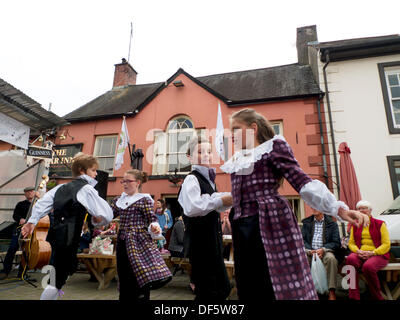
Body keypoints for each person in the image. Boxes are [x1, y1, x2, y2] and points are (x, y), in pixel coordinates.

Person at [220, 108, 369, 300]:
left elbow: (302, 182)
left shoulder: (273, 147)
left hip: (268, 221)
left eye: (236, 129)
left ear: (253, 128)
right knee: (248, 281)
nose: (231, 135)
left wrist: (339, 209)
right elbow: (238, 195)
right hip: (241, 225)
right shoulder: (237, 161)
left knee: (272, 280)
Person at [21, 153, 113, 300]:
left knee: (58, 276)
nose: (96, 174)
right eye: (94, 170)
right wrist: (98, 220)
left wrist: (31, 222)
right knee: (57, 278)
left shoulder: (60, 187)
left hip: (57, 237)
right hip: (69, 239)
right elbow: (107, 214)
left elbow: (41, 205)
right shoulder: (87, 189)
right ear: (83, 170)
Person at [178, 134, 233, 301]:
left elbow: (215, 200)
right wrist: (220, 200)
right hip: (200, 243)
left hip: (212, 241)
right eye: (201, 151)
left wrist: (230, 198)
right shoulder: (191, 178)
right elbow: (193, 207)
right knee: (209, 290)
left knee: (221, 287)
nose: (207, 155)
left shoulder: (210, 181)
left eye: (209, 151)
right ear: (189, 156)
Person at [111, 169, 172, 302]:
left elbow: (151, 218)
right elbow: (109, 214)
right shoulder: (119, 199)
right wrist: (98, 216)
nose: (125, 184)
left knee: (138, 273)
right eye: (123, 181)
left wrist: (155, 228)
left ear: (138, 182)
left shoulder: (144, 199)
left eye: (128, 181)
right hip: (122, 240)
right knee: (123, 272)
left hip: (139, 241)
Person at [345, 200, 391, 300]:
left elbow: (386, 244)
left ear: (370, 210)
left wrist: (373, 253)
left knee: (368, 266)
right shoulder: (355, 224)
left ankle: (377, 296)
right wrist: (358, 251)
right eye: (359, 209)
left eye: (364, 208)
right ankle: (354, 296)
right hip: (360, 253)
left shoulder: (380, 224)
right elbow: (351, 243)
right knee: (350, 260)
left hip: (378, 254)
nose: (362, 210)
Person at [0, 187, 39, 280]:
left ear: (34, 192)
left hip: (32, 231)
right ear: (25, 194)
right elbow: (15, 215)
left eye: (31, 191)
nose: (29, 193)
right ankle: (5, 271)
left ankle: (22, 272)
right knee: (12, 248)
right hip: (19, 229)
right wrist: (20, 219)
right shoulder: (21, 204)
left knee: (27, 251)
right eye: (27, 192)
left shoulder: (38, 204)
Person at [301, 208, 341, 300]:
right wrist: (310, 251)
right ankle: (306, 290)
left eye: (317, 206)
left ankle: (331, 291)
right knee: (302, 259)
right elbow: (302, 240)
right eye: (312, 206)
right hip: (310, 252)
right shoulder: (306, 223)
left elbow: (336, 242)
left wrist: (323, 249)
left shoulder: (332, 223)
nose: (314, 208)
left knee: (331, 259)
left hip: (325, 251)